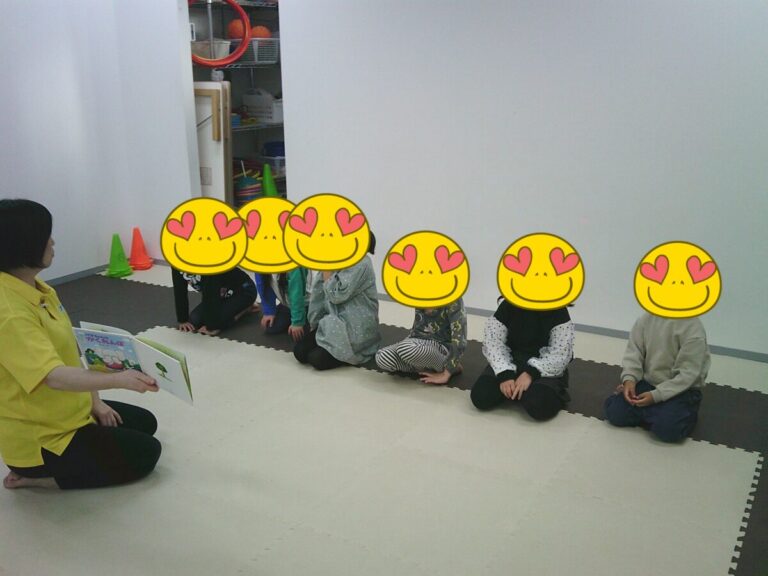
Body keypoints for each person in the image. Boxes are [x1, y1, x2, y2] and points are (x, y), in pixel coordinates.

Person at [0, 199, 161, 490]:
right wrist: (119, 379)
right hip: (44, 437)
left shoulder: (39, 289)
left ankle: (82, 437)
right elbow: (52, 376)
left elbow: (70, 353)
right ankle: (35, 475)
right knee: (147, 454)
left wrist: (95, 401)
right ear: (22, 245)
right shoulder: (9, 313)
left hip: (68, 408)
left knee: (145, 423)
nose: (52, 242)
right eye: (45, 236)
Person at [603, 312, 709, 442]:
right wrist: (630, 379)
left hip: (681, 389)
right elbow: (634, 352)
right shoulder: (646, 319)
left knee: (668, 431)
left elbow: (688, 374)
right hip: (648, 383)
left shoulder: (693, 329)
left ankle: (682, 411)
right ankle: (655, 413)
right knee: (615, 414)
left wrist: (656, 396)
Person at [470, 298, 574, 420]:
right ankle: (517, 390)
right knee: (480, 396)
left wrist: (531, 374)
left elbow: (560, 353)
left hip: (544, 367)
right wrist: (504, 374)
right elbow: (493, 342)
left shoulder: (558, 311)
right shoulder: (508, 305)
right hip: (510, 361)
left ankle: (534, 391)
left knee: (539, 405)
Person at [294, 233, 380, 370]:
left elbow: (336, 295)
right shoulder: (336, 258)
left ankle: (356, 352)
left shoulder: (362, 263)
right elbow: (318, 294)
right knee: (299, 352)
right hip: (331, 321)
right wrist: (314, 323)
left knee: (316, 359)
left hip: (355, 326)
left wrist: (327, 270)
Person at [375, 299, 467, 384]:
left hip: (441, 346)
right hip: (416, 341)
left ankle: (451, 367)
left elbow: (459, 338)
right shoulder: (420, 293)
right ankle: (422, 366)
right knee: (382, 357)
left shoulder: (453, 300)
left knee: (405, 348)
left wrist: (447, 372)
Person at [172, 266, 257, 336]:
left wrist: (211, 326)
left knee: (217, 322)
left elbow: (210, 294)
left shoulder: (208, 264)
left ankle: (245, 309)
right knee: (195, 319)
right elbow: (179, 290)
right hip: (220, 294)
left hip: (243, 291)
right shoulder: (176, 262)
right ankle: (236, 307)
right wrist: (183, 319)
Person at [254, 268, 309, 342]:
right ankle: (294, 317)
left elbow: (296, 294)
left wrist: (297, 322)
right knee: (270, 327)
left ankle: (302, 318)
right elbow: (263, 284)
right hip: (287, 304)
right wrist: (269, 311)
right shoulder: (261, 264)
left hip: (305, 304)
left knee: (301, 336)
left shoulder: (293, 268)